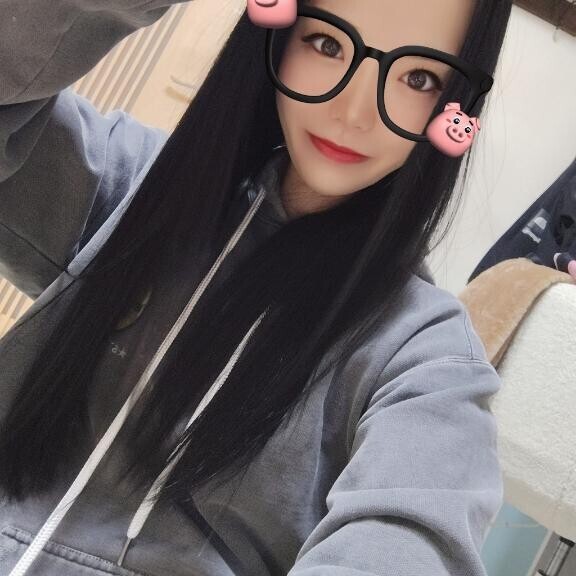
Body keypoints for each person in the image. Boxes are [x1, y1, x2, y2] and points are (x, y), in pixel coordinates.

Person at [0, 0, 512, 574]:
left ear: (456, 109)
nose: (353, 112)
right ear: (277, 32)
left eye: (418, 79)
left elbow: (412, 539)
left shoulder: (423, 355)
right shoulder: (133, 186)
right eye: (327, 44)